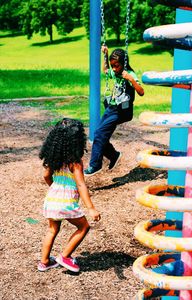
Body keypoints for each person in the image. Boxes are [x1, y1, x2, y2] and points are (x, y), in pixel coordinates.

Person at [38, 118, 101, 273]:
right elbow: (81, 185)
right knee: (83, 227)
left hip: (51, 199)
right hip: (66, 203)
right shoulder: (75, 163)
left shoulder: (53, 159)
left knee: (52, 229)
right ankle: (65, 256)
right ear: (77, 140)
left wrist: (55, 189)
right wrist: (91, 208)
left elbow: (46, 176)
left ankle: (44, 262)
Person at [84, 46, 144, 177]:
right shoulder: (115, 72)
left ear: (124, 64)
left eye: (117, 66)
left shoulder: (129, 74)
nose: (115, 69)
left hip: (121, 111)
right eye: (113, 66)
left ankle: (95, 165)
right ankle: (114, 155)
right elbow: (105, 70)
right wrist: (105, 55)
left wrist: (131, 79)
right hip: (111, 108)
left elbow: (141, 92)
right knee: (98, 134)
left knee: (100, 134)